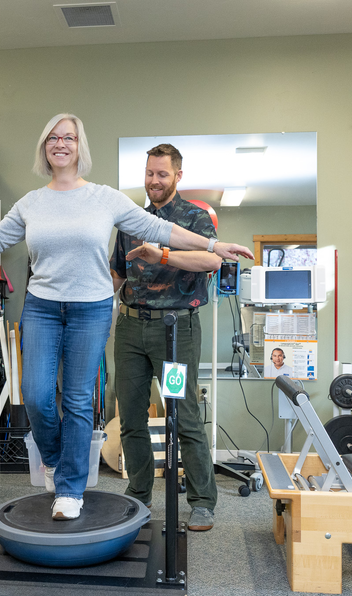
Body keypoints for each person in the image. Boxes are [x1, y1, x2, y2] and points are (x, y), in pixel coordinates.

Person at [0, 116, 251, 521]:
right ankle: (57, 462)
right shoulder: (31, 203)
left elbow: (163, 230)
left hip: (97, 311)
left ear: (80, 147)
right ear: (45, 147)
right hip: (44, 307)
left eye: (69, 137)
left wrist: (216, 245)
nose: (60, 143)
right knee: (38, 394)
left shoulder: (106, 198)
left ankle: (71, 489)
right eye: (53, 137)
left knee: (81, 400)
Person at [110, 143, 254, 532]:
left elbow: (212, 260)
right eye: (149, 173)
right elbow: (117, 276)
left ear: (177, 176)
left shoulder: (193, 217)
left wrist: (164, 256)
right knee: (131, 418)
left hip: (175, 332)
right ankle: (139, 496)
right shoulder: (130, 220)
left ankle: (202, 500)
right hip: (129, 330)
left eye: (162, 174)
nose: (154, 181)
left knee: (183, 416)